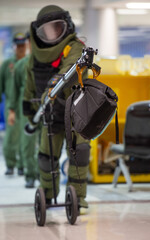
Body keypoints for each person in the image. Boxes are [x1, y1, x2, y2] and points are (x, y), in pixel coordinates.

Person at [23, 5, 90, 208]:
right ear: (39, 33)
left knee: (80, 152)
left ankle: (77, 199)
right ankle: (48, 194)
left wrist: (51, 89)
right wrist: (31, 113)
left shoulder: (75, 47)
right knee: (46, 155)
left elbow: (70, 68)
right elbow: (30, 87)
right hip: (50, 114)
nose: (52, 35)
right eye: (47, 30)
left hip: (76, 112)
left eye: (57, 28)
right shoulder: (35, 58)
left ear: (67, 27)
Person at [8, 33, 39, 188]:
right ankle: (30, 174)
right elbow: (14, 90)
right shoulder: (21, 65)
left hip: (45, 108)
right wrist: (12, 111)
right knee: (27, 143)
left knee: (45, 142)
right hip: (26, 108)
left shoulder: (49, 65)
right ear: (29, 44)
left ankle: (43, 173)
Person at [0, 32, 27, 175]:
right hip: (11, 105)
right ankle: (11, 164)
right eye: (18, 45)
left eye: (23, 45)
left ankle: (23, 165)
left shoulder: (28, 64)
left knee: (25, 136)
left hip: (26, 105)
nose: (21, 48)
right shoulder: (7, 65)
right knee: (10, 136)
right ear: (14, 46)